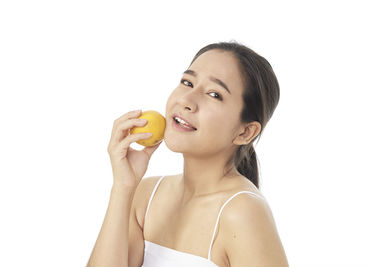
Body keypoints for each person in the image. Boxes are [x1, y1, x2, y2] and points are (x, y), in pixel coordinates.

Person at [87, 41, 289, 267]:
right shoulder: (146, 195)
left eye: (214, 94)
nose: (186, 100)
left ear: (245, 132)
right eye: (187, 82)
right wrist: (122, 188)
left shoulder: (243, 212)